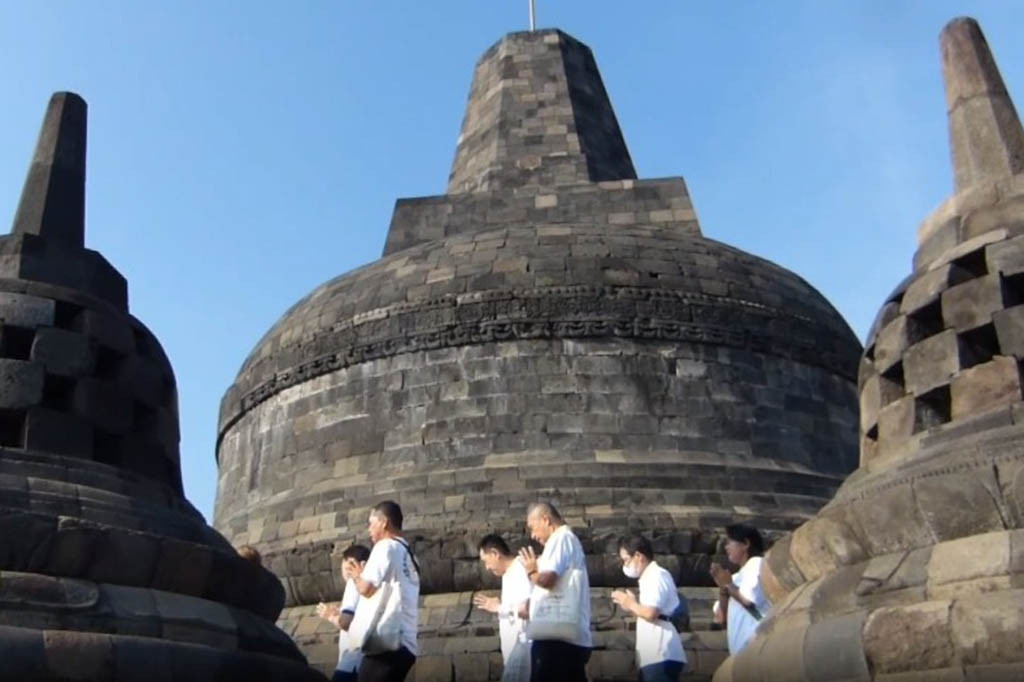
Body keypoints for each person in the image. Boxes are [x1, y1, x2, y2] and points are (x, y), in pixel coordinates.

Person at [518, 502, 592, 682]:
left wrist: (531, 571)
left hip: (556, 640)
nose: (533, 536)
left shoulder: (561, 538)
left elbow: (547, 580)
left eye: (533, 528)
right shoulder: (566, 539)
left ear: (545, 520)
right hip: (562, 637)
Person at [348, 501, 420, 682]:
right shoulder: (410, 555)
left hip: (386, 641)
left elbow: (366, 588)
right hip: (407, 642)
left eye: (371, 523)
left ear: (384, 522)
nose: (369, 529)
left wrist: (358, 575)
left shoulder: (385, 547)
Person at [611, 536, 687, 682]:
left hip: (661, 651)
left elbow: (651, 613)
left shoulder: (656, 575)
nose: (625, 565)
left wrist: (630, 603)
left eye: (626, 560)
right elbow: (648, 614)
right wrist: (631, 605)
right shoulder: (648, 578)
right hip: (653, 653)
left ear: (638, 556)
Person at [474, 534, 533, 681]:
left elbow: (528, 608)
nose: (487, 568)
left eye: (486, 562)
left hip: (522, 649)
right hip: (513, 652)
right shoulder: (508, 575)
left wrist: (499, 607)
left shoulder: (519, 569)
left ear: (495, 554)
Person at [709, 523, 770, 655]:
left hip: (755, 646)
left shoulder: (756, 563)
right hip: (739, 652)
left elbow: (748, 600)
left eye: (730, 542)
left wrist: (728, 584)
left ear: (745, 543)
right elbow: (720, 619)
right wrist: (723, 588)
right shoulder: (735, 577)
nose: (726, 547)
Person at [316, 544, 371, 682]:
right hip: (369, 661)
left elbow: (346, 623)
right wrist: (340, 611)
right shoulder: (373, 585)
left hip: (352, 661)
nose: (347, 571)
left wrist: (331, 616)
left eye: (350, 566)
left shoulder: (353, 584)